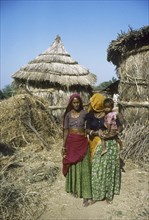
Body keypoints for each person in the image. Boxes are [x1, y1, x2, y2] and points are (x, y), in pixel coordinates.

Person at [85, 93, 122, 203]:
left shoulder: (111, 114)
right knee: (97, 169)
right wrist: (95, 132)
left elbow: (120, 125)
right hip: (97, 144)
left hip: (111, 144)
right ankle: (97, 194)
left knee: (109, 170)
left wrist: (116, 131)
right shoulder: (91, 115)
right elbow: (87, 129)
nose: (93, 104)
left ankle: (108, 194)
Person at [62, 93, 92, 207]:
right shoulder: (68, 115)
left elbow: (89, 126)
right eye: (74, 102)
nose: (76, 104)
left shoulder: (85, 113)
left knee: (84, 168)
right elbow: (65, 131)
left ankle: (86, 195)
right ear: (71, 103)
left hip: (82, 142)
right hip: (71, 142)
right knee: (73, 167)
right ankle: (75, 189)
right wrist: (63, 146)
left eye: (78, 102)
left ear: (80, 102)